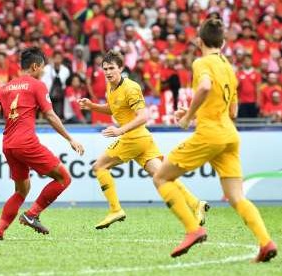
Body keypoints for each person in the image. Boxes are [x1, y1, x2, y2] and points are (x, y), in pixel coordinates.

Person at [152, 19, 277, 262]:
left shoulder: (201, 62)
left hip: (209, 134)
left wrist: (188, 117)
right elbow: (233, 111)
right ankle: (265, 242)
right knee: (237, 197)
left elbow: (206, 87)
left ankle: (193, 228)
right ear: (223, 41)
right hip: (230, 135)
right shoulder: (228, 66)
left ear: (199, 41)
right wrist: (195, 111)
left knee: (161, 177)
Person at [78, 50, 207, 229]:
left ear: (121, 68)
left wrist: (119, 131)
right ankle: (196, 204)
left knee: (99, 166)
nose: (108, 72)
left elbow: (143, 116)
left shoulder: (131, 88)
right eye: (105, 69)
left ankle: (115, 210)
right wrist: (92, 106)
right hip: (142, 138)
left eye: (112, 68)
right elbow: (113, 108)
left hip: (134, 137)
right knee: (162, 174)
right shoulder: (110, 86)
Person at [0, 47, 84, 240]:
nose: (44, 72)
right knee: (64, 178)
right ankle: (32, 214)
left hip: (9, 145)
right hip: (26, 143)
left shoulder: (4, 88)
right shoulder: (37, 85)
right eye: (43, 68)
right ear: (35, 66)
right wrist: (70, 138)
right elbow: (49, 114)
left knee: (22, 190)